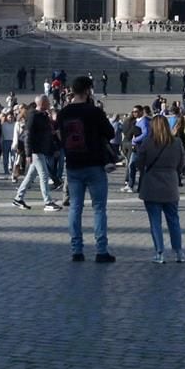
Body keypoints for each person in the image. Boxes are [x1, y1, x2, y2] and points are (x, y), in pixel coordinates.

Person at [56, 74, 116, 263]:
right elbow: (110, 132)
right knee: (99, 208)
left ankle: (76, 250)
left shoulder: (63, 113)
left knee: (75, 207)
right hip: (94, 164)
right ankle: (101, 250)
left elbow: (58, 135)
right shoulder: (94, 112)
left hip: (73, 164)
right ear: (88, 90)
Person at [136, 112, 185, 263]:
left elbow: (139, 162)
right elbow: (182, 164)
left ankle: (159, 252)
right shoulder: (177, 142)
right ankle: (179, 252)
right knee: (173, 220)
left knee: (155, 221)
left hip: (151, 184)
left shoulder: (147, 143)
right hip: (170, 184)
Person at [12, 94, 59, 210]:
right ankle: (48, 202)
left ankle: (18, 198)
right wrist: (28, 153)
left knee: (30, 176)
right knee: (44, 175)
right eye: (48, 102)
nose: (49, 104)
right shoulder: (33, 115)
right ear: (42, 103)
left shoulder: (43, 115)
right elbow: (27, 135)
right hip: (36, 150)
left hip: (42, 149)